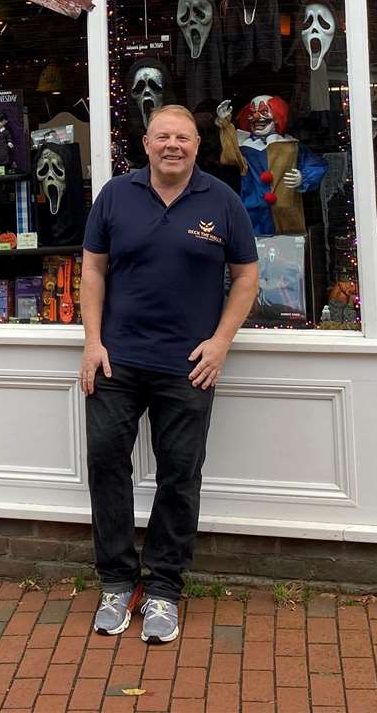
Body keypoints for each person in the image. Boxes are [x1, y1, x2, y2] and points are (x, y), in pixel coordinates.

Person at [80, 104, 258, 643]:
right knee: (108, 465)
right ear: (146, 143)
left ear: (197, 146)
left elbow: (246, 275)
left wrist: (221, 343)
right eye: (163, 137)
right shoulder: (115, 195)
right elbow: (92, 267)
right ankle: (116, 581)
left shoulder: (222, 201)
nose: (172, 145)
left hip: (188, 367)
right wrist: (91, 342)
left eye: (182, 137)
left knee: (179, 475)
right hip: (117, 361)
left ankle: (162, 590)